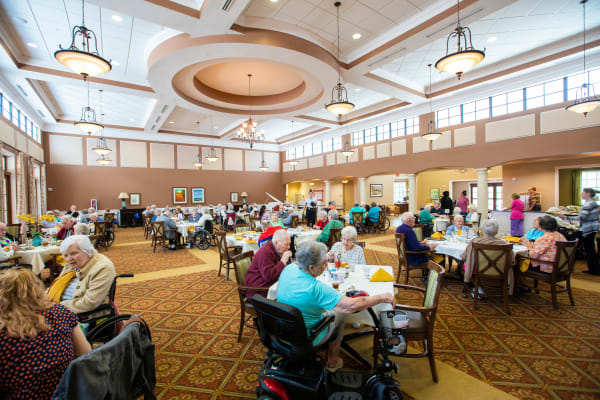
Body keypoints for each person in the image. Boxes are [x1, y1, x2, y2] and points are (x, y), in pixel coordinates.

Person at [277, 241, 395, 372]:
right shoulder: (316, 288)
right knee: (339, 312)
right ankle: (333, 360)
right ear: (311, 268)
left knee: (332, 308)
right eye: (323, 264)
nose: (326, 266)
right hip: (307, 336)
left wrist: (321, 257)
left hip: (282, 329)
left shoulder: (289, 269)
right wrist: (383, 297)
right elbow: (352, 305)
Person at [0, 267, 91, 399]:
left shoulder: (4, 334)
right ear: (37, 289)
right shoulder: (61, 313)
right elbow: (86, 355)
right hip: (69, 393)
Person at [45, 235, 117, 314]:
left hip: (82, 315)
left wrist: (56, 307)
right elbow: (58, 284)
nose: (69, 259)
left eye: (73, 253)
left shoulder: (103, 267)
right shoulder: (72, 264)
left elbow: (90, 302)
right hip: (58, 306)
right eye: (65, 255)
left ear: (87, 252)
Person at [462, 219, 516, 293]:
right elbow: (512, 262)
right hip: (501, 273)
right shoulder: (505, 244)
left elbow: (464, 257)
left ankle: (473, 286)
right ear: (497, 231)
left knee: (465, 264)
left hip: (478, 272)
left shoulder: (475, 241)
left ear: (483, 230)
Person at [244, 230, 292, 298]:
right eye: (286, 244)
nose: (289, 247)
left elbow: (280, 266)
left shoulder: (276, 250)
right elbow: (269, 277)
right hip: (256, 291)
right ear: (276, 242)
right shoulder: (265, 252)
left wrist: (291, 265)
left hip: (266, 283)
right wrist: (282, 262)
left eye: (289, 244)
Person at [578, 188, 599, 275]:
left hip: (587, 230)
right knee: (590, 249)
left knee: (588, 249)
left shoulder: (589, 203)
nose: (581, 194)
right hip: (591, 229)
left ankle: (594, 269)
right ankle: (594, 269)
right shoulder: (593, 202)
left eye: (582, 192)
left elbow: (581, 217)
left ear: (588, 193)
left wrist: (564, 216)